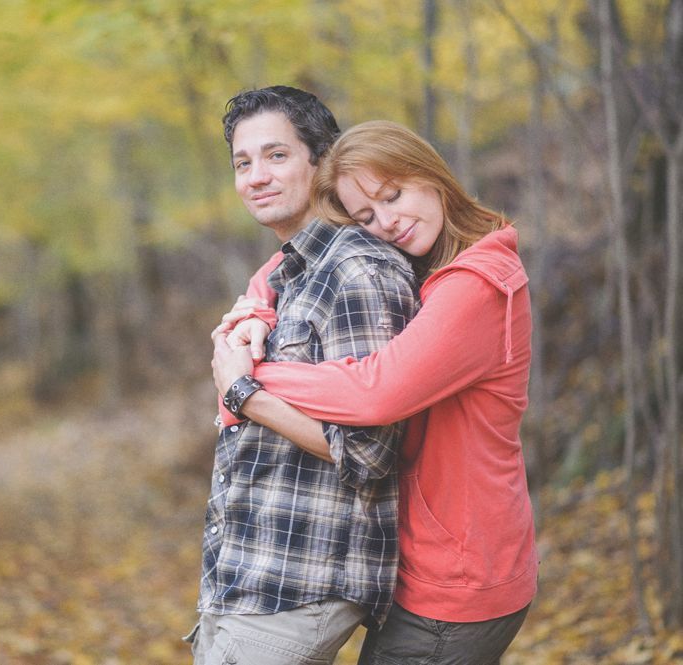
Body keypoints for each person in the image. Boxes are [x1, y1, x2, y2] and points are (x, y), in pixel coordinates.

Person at [212, 119, 537, 664]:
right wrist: (253, 310)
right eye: (366, 216)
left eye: (394, 195)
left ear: (431, 176)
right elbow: (284, 266)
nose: (387, 223)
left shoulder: (478, 283)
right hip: (421, 565)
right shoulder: (427, 265)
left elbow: (375, 392)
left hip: (459, 576)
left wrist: (246, 381)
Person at [187, 88, 419, 664]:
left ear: (321, 162)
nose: (256, 177)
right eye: (243, 163)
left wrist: (243, 393)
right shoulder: (290, 276)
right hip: (245, 576)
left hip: (301, 581)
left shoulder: (357, 270)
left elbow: (369, 453)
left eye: (276, 156)